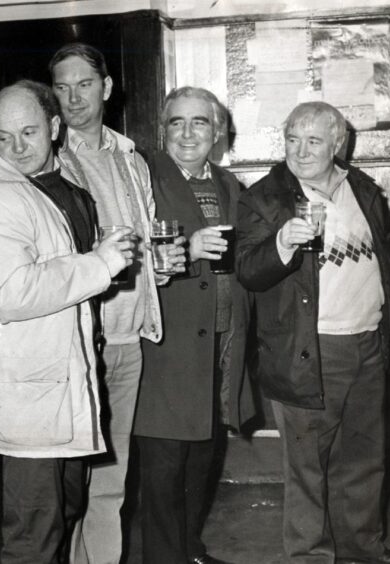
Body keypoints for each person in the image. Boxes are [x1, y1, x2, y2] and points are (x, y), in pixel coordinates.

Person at [0, 79, 135, 564]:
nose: (16, 148)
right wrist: (99, 265)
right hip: (28, 390)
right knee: (34, 533)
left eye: (29, 132)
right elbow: (12, 293)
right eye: (4, 136)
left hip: (63, 377)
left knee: (67, 508)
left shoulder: (60, 181)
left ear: (54, 127)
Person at [236, 101, 390, 564]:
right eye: (292, 139)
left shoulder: (361, 188)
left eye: (313, 140)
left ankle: (362, 550)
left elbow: (385, 266)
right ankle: (310, 557)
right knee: (308, 468)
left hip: (367, 341)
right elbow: (247, 272)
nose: (300, 150)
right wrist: (281, 243)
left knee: (364, 457)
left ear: (338, 144)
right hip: (310, 349)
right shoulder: (265, 197)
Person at [50, 43, 186, 564]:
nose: (73, 98)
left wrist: (163, 262)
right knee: (66, 484)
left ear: (106, 88)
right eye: (62, 88)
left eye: (84, 84)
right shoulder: (49, 160)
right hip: (77, 340)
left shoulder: (130, 157)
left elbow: (148, 238)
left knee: (110, 480)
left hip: (128, 337)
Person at [133, 86, 256, 564]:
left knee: (201, 462)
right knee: (164, 471)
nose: (187, 133)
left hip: (219, 347)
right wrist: (186, 249)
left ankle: (189, 551)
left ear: (218, 132)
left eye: (199, 122)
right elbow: (128, 256)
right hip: (169, 350)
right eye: (176, 123)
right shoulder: (145, 180)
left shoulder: (229, 186)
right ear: (162, 132)